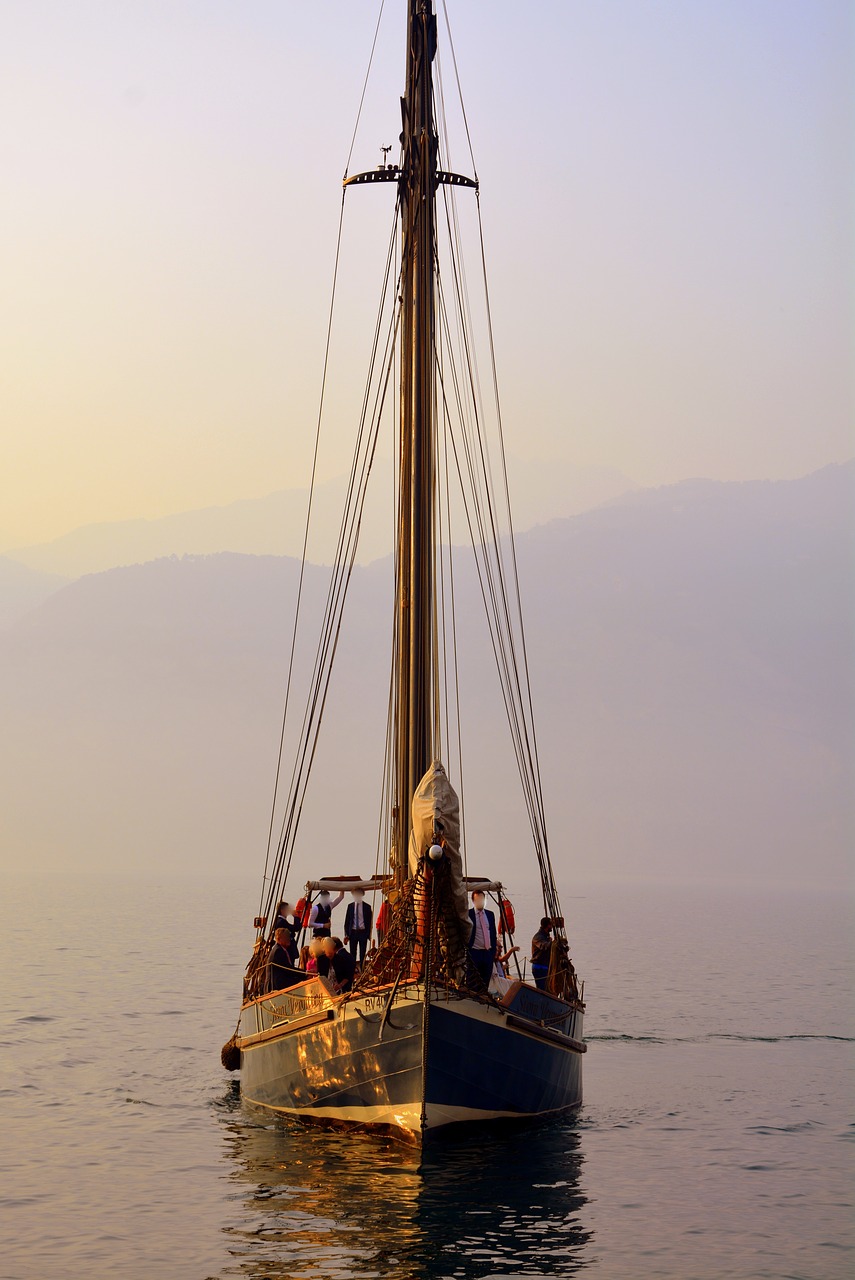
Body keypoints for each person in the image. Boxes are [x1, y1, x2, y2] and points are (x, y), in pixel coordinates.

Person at [467, 890, 497, 988]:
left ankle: (483, 998)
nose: (480, 901)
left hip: (488, 953)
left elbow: (492, 933)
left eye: (482, 899)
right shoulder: (468, 914)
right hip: (475, 952)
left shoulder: (490, 914)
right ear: (473, 901)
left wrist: (493, 951)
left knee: (485, 980)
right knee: (472, 980)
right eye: (478, 899)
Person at [344, 889, 373, 965]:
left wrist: (368, 934)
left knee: (362, 953)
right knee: (352, 953)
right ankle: (353, 969)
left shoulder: (367, 907)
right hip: (353, 932)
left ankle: (362, 969)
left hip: (363, 932)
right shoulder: (350, 906)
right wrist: (346, 934)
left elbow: (369, 922)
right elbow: (347, 921)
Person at [267, 927, 300, 992]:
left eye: (288, 937)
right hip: (277, 985)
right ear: (279, 939)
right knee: (302, 980)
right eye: (286, 938)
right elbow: (288, 969)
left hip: (282, 981)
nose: (288, 939)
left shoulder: (282, 949)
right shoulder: (278, 951)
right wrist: (305, 973)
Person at [531, 918, 553, 990]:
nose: (552, 926)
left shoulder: (546, 936)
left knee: (548, 988)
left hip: (546, 967)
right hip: (539, 967)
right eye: (551, 924)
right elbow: (544, 946)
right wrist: (551, 943)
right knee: (542, 988)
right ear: (547, 925)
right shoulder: (538, 937)